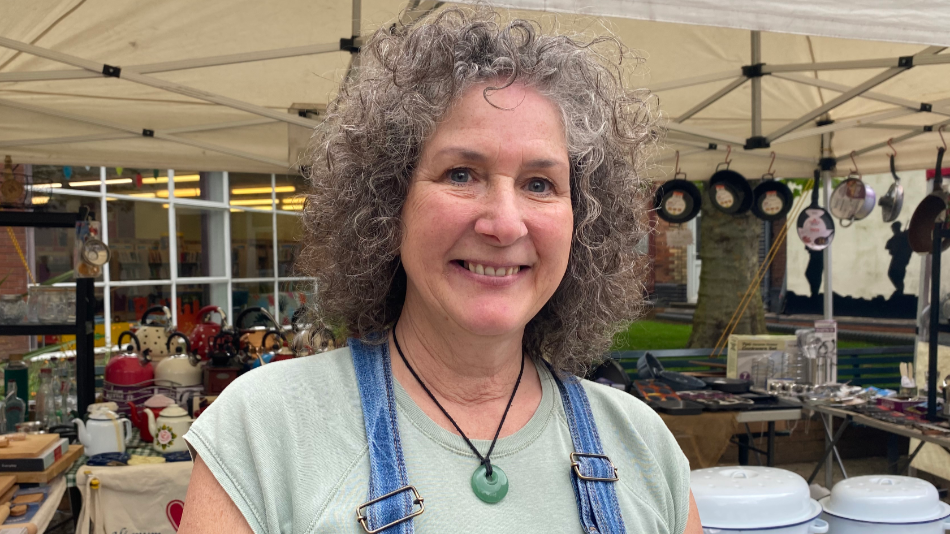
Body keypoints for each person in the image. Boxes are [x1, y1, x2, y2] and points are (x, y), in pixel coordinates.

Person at [180, 7, 702, 533]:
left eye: (540, 184)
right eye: (461, 173)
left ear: (582, 220)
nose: (504, 223)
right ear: (388, 203)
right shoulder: (266, 430)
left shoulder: (643, 446)